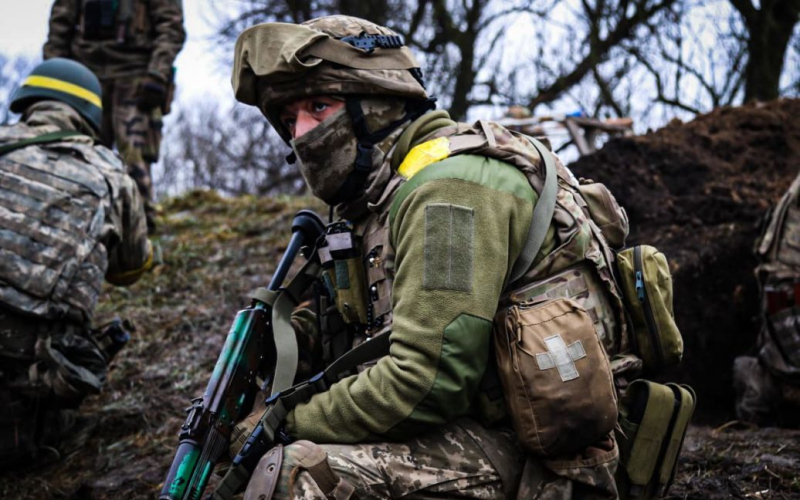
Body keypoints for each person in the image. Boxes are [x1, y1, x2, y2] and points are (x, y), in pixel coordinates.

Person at [229, 15, 631, 499]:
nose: (301, 133)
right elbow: (361, 333)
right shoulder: (383, 197)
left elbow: (424, 380)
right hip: (481, 433)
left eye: (319, 107)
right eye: (290, 119)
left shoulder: (448, 191)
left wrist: (280, 422)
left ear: (376, 102)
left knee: (295, 474)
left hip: (551, 465)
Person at [0, 58, 153, 469]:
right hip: (26, 371)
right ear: (89, 115)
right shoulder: (110, 174)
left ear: (28, 101)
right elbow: (131, 269)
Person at [43, 0, 186, 232]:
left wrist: (157, 74)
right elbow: (60, 24)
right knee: (79, 156)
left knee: (135, 159)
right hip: (84, 75)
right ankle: (77, 229)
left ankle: (142, 236)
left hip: (136, 74)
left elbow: (171, 26)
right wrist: (56, 73)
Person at [734, 172, 800, 427]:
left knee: (784, 359)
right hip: (788, 286)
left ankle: (759, 385)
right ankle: (758, 386)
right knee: (789, 363)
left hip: (780, 286)